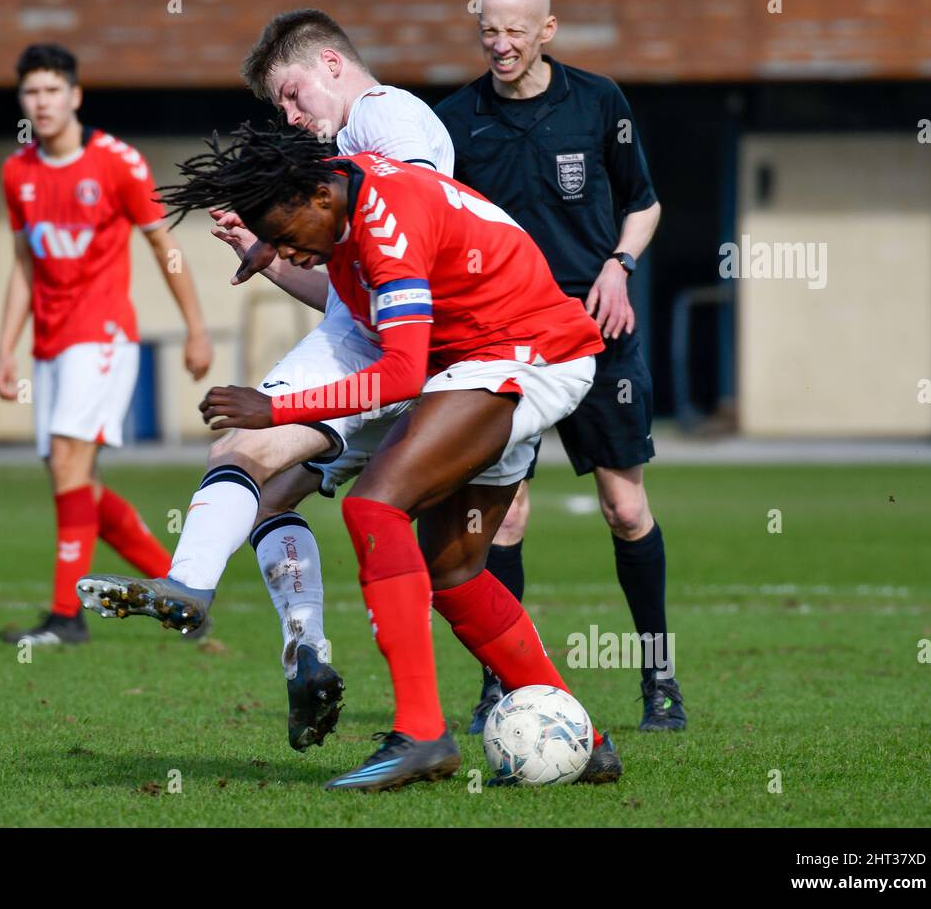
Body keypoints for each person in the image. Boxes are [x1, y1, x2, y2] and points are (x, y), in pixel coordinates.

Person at [89, 122, 624, 791]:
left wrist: (276, 409)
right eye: (274, 242)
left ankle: (421, 735)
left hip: (523, 356)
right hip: (483, 360)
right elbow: (379, 314)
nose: (287, 250)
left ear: (320, 194)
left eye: (288, 235)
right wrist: (274, 248)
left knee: (375, 505)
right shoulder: (339, 190)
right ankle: (589, 743)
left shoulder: (384, 221)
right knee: (454, 572)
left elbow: (400, 375)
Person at [79, 10, 454, 752]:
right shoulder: (354, 154)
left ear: (333, 67)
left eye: (291, 94)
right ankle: (304, 652)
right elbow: (352, 292)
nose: (288, 115)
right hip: (395, 357)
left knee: (238, 455)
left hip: (383, 357)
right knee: (265, 500)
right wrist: (276, 252)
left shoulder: (384, 116)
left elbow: (407, 239)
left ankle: (187, 585)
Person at [436, 0, 684, 731]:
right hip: (503, 342)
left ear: (547, 30)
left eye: (515, 29)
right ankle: (501, 683)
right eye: (489, 29)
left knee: (623, 505)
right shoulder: (454, 121)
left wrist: (620, 266)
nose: (499, 42)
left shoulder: (599, 102)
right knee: (504, 520)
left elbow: (643, 205)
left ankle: (660, 680)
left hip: (596, 335)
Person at [0, 43, 212, 646]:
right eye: (31, 93)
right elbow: (23, 267)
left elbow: (162, 246)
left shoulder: (117, 162)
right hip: (49, 342)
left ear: (74, 95)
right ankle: (177, 589)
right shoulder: (18, 172)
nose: (41, 103)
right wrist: (4, 349)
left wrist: (195, 326)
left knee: (69, 464)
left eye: (51, 91)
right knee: (74, 481)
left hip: (103, 336)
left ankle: (67, 617)